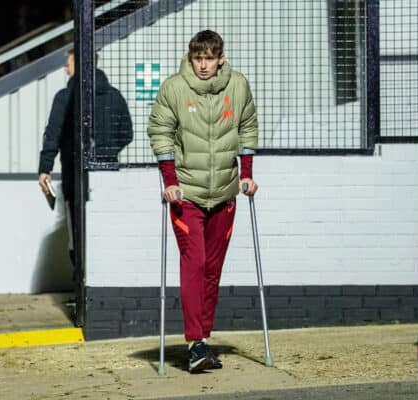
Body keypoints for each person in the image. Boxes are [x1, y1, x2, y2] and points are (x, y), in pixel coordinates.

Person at [147, 30, 259, 373]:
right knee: (194, 263)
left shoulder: (238, 86)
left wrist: (247, 173)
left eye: (210, 58)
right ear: (191, 57)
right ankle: (195, 342)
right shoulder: (174, 88)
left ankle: (203, 341)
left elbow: (248, 126)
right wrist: (169, 181)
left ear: (221, 58)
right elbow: (160, 130)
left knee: (212, 270)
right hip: (188, 195)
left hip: (225, 194)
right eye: (198, 58)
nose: (204, 65)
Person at [38, 49, 133, 322]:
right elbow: (127, 131)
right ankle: (107, 293)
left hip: (76, 179)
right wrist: (106, 152)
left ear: (78, 64)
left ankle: (83, 295)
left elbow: (52, 135)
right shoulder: (113, 96)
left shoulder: (66, 97)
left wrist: (45, 167)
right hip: (108, 179)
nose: (66, 70)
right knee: (105, 233)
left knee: (77, 238)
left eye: (68, 64)